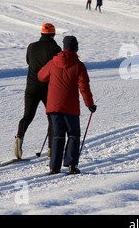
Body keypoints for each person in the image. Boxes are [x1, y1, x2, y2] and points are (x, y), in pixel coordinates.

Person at [38, 36, 96, 175]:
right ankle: (71, 165)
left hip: (54, 106)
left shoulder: (53, 62)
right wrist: (90, 104)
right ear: (76, 48)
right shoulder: (79, 65)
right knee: (73, 135)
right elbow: (84, 87)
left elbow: (41, 76)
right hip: (71, 107)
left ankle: (54, 167)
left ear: (64, 47)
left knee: (58, 135)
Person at [14, 23, 62, 159]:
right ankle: (51, 149)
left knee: (27, 116)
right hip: (48, 88)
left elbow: (29, 62)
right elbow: (58, 67)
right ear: (53, 34)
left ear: (41, 33)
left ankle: (19, 138)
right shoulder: (55, 48)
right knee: (52, 118)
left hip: (31, 87)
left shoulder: (31, 46)